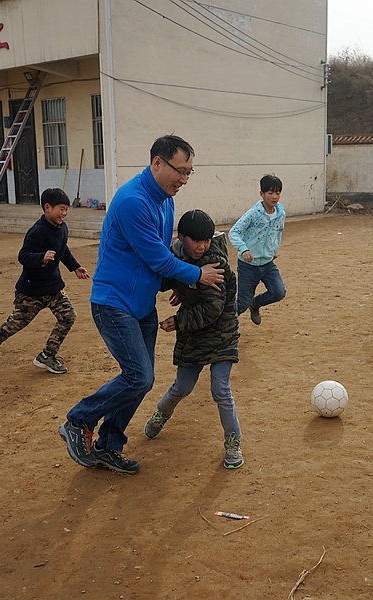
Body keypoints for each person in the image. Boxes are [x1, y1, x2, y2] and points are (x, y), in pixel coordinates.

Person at [59, 135, 225, 475]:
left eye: (189, 172)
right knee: (139, 376)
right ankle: (78, 420)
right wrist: (196, 276)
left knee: (141, 379)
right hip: (113, 302)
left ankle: (108, 445)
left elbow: (158, 260)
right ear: (157, 163)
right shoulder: (133, 201)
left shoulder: (165, 199)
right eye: (181, 170)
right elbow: (160, 259)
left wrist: (179, 284)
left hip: (141, 304)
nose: (184, 179)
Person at [143, 210, 244, 469]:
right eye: (196, 241)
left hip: (222, 333)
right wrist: (180, 286)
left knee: (221, 390)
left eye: (207, 240)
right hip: (194, 337)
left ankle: (233, 442)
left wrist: (178, 321)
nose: (202, 246)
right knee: (182, 387)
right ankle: (161, 414)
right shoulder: (175, 254)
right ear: (182, 238)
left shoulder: (215, 263)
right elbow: (168, 274)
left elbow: (212, 309)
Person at [0, 188, 90, 377]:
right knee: (11, 327)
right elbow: (23, 256)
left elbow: (62, 249)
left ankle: (47, 355)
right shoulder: (38, 231)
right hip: (31, 292)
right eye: (61, 209)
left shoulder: (62, 228)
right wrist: (41, 258)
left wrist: (75, 267)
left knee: (68, 316)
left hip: (54, 289)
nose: (64, 213)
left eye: (66, 209)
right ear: (47, 207)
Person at [228, 174, 286, 325]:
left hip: (267, 264)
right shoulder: (253, 214)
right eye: (270, 193)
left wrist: (273, 249)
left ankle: (255, 304)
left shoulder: (280, 214)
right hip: (248, 266)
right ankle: (222, 326)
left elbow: (278, 232)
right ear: (262, 194)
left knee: (278, 292)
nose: (274, 196)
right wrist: (244, 249)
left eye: (278, 193)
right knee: (241, 304)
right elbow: (234, 232)